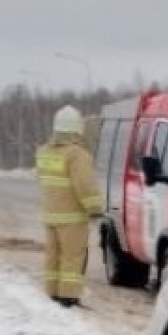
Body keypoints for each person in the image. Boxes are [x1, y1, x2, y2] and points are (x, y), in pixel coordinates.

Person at [35, 106, 103, 308]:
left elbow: (43, 180)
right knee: (72, 258)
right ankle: (68, 296)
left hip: (51, 216)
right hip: (72, 218)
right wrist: (95, 208)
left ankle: (52, 292)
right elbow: (85, 186)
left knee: (53, 256)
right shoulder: (77, 154)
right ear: (76, 130)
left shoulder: (44, 151)